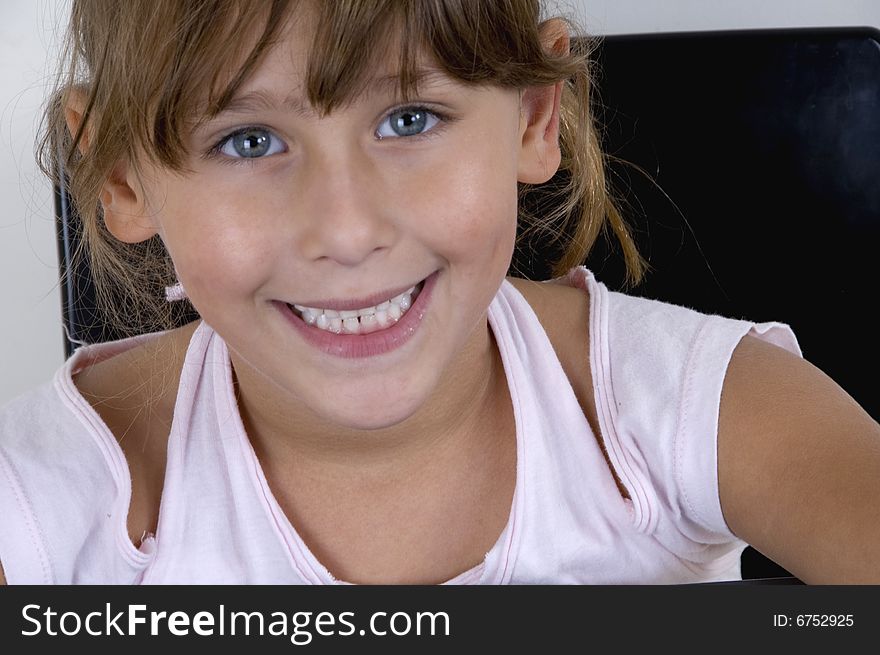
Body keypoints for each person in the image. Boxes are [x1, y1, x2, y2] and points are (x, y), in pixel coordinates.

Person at [0, 0, 877, 585]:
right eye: (248, 141)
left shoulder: (687, 408)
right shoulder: (45, 499)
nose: (347, 231)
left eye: (408, 119)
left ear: (534, 118)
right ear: (120, 177)